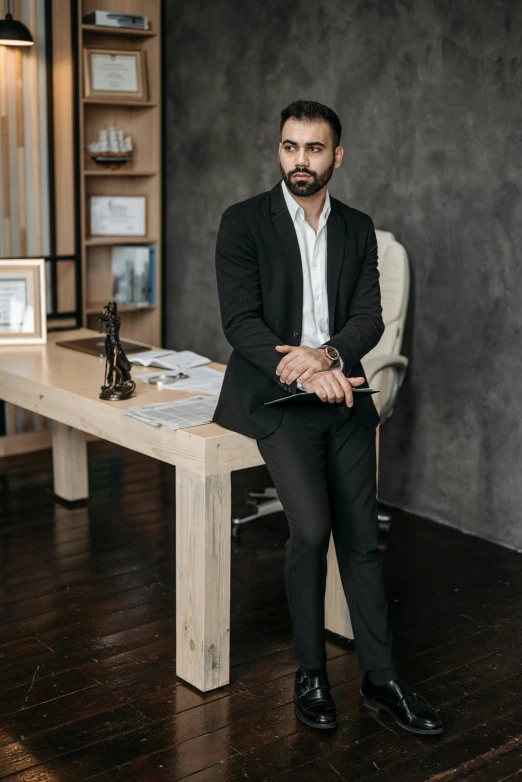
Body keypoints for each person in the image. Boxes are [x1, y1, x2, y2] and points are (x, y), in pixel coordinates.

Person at [212, 99, 444, 735]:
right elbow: (241, 322)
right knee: (311, 532)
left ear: (336, 156)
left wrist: (329, 357)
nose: (300, 161)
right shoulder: (243, 223)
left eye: (314, 149)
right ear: (280, 150)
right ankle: (310, 672)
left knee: (362, 538)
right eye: (290, 147)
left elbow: (369, 317)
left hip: (343, 390)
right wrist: (303, 368)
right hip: (278, 395)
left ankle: (381, 677)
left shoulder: (359, 227)